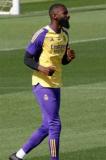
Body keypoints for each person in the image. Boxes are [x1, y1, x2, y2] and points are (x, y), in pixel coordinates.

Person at [9, 3, 75, 160]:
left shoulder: (64, 35)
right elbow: (27, 58)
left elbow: (61, 61)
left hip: (55, 83)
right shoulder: (41, 34)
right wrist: (42, 69)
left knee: (47, 125)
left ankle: (18, 156)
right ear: (55, 16)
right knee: (55, 124)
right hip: (42, 83)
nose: (68, 15)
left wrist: (68, 59)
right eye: (65, 13)